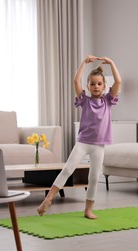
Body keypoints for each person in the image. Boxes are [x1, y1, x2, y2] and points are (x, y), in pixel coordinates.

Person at [37, 55, 122, 219]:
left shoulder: (108, 101)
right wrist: (84, 63)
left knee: (94, 177)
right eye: (92, 84)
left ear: (104, 86)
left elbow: (118, 82)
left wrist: (112, 63)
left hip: (99, 145)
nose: (96, 87)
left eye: (99, 84)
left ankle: (88, 209)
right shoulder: (84, 100)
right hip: (83, 142)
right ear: (88, 86)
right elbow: (76, 81)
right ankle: (49, 198)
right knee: (68, 169)